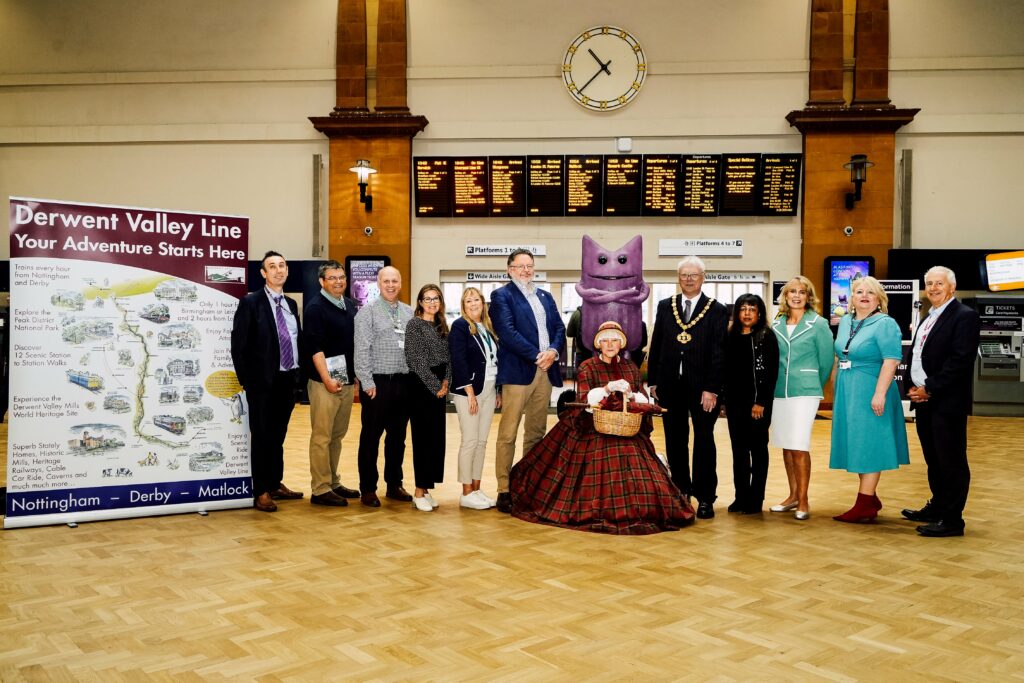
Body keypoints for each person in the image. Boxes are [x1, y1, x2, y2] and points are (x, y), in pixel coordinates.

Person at [510, 321, 695, 534]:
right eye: (605, 340)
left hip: (626, 427)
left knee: (636, 460)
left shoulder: (630, 367)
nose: (609, 344)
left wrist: (633, 396)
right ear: (598, 344)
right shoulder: (587, 366)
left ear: (621, 344)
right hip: (592, 427)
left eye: (614, 340)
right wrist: (607, 388)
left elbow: (640, 396)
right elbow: (585, 402)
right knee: (603, 456)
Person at [647, 256, 729, 519]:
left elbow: (719, 351)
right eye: (685, 275)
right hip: (671, 387)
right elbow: (657, 342)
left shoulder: (716, 309)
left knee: (704, 441)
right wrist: (654, 380)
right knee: (675, 441)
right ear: (678, 277)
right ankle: (681, 492)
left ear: (703, 277)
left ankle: (705, 497)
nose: (689, 279)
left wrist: (712, 388)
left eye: (694, 275)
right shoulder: (664, 306)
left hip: (703, 389)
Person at [904, 266, 981, 537]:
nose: (933, 288)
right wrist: (913, 388)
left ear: (952, 288)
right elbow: (917, 354)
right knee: (934, 459)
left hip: (945, 402)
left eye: (939, 283)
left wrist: (930, 389)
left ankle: (952, 520)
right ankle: (937, 506)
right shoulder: (929, 316)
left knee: (951, 461)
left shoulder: (964, 316)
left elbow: (961, 360)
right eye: (929, 283)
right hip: (925, 401)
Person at [490, 248, 566, 513]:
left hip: (546, 373)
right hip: (519, 373)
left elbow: (559, 327)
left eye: (529, 266)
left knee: (536, 433)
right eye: (520, 266)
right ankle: (504, 489)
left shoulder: (545, 296)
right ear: (510, 269)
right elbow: (507, 333)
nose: (525, 270)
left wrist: (553, 352)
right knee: (508, 433)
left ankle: (529, 484)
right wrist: (538, 355)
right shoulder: (502, 296)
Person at [829, 276, 910, 522]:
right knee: (856, 442)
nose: (864, 296)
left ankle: (864, 503)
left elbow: (891, 359)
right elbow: (839, 354)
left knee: (869, 443)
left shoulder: (885, 323)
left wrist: (879, 393)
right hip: (848, 388)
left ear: (879, 299)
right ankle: (870, 497)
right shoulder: (845, 322)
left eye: (870, 292)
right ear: (852, 297)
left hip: (871, 387)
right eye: (859, 291)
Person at [230, 250, 305, 513]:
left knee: (278, 436)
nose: (278, 270)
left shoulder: (291, 305)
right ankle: (260, 491)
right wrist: (248, 382)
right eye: (272, 267)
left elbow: (295, 342)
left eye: (282, 265)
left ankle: (274, 483)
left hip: (287, 382)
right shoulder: (250, 303)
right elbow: (238, 346)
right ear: (263, 273)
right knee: (262, 436)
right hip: (261, 384)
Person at [769, 276, 834, 520]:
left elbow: (826, 361)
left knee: (799, 445)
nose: (796, 295)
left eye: (802, 292)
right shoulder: (776, 324)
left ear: (809, 296)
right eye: (792, 291)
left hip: (805, 391)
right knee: (786, 444)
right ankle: (792, 495)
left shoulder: (819, 324)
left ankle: (804, 499)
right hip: (779, 391)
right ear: (785, 296)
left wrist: (814, 384)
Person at [353, 266, 414, 508]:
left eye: (394, 281)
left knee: (397, 438)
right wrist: (366, 382)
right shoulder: (366, 313)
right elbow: (361, 350)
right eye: (386, 281)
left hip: (403, 382)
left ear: (400, 283)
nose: (390, 285)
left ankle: (394, 484)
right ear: (379, 283)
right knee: (371, 438)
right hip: (377, 385)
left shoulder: (409, 312)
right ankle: (368, 488)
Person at [303, 259, 359, 507]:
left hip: (345, 382)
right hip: (324, 383)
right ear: (322, 282)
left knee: (337, 436)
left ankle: (334, 481)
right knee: (322, 437)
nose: (338, 282)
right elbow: (314, 347)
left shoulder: (349, 305)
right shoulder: (316, 308)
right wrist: (326, 379)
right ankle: (320, 488)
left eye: (341, 277)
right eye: (333, 278)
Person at [722, 293, 779, 515]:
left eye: (752, 309)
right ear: (737, 313)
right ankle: (741, 497)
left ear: (760, 313)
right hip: (735, 404)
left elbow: (771, 373)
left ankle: (755, 499)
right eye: (743, 309)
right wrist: (725, 401)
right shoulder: (730, 336)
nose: (747, 313)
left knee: (758, 451)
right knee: (739, 452)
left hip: (758, 405)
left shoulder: (767, 336)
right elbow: (726, 371)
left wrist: (761, 402)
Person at [449, 287, 500, 510]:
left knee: (481, 442)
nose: (473, 304)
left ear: (483, 303)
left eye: (476, 299)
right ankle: (466, 491)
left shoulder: (487, 327)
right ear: (463, 305)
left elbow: (493, 361)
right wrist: (469, 393)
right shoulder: (460, 327)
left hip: (489, 389)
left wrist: (497, 391)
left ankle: (477, 489)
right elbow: (458, 360)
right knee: (469, 441)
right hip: (469, 391)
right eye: (468, 301)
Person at [404, 284, 451, 512]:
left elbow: (449, 358)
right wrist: (435, 386)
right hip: (422, 387)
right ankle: (419, 491)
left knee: (435, 439)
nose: (432, 302)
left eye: (436, 298)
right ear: (420, 302)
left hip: (440, 387)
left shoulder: (442, 326)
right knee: (422, 439)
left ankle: (427, 487)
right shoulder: (415, 325)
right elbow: (415, 360)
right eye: (427, 298)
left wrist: (446, 382)